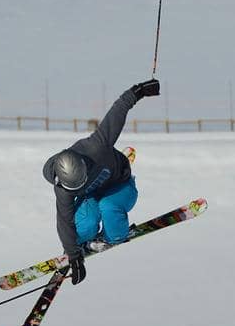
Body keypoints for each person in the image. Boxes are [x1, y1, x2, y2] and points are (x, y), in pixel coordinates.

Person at [41, 79, 161, 284]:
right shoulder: (62, 187)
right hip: (93, 195)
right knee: (84, 224)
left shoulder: (97, 146)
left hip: (120, 186)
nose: (76, 189)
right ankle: (86, 241)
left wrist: (138, 91)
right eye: (74, 188)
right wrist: (74, 255)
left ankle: (112, 236)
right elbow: (64, 220)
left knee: (108, 206)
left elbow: (118, 111)